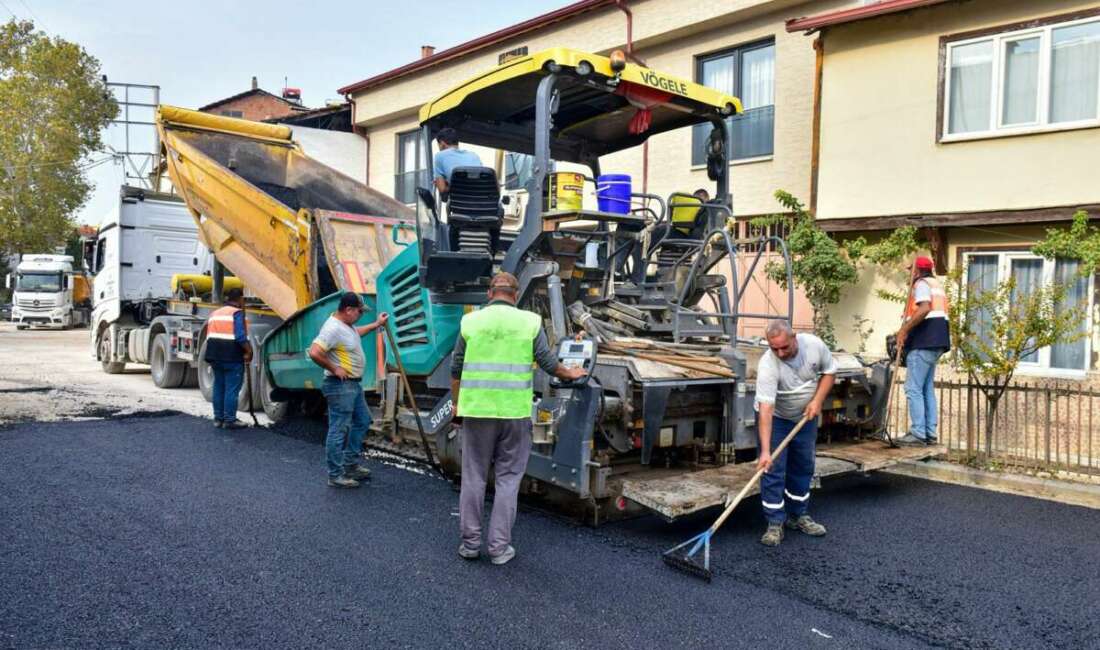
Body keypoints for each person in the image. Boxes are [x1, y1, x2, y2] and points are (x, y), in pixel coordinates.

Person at [451, 272, 586, 565]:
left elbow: (456, 368)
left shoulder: (471, 322)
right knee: (508, 480)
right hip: (514, 412)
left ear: (490, 293)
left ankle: (470, 545)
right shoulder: (529, 322)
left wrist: (455, 406)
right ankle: (499, 549)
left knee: (473, 477)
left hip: (476, 411)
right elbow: (549, 364)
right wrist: (572, 372)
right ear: (515, 294)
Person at [754, 319, 837, 547]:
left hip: (805, 417)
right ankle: (774, 523)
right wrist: (765, 451)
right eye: (774, 348)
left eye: (784, 347)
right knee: (773, 469)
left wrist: (818, 401)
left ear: (794, 337)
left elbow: (829, 372)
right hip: (777, 419)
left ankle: (798, 515)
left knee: (803, 466)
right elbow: (766, 410)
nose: (780, 353)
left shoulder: (814, 346)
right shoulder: (767, 366)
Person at [307, 292, 389, 488]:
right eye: (360, 312)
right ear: (348, 310)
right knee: (339, 429)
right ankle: (335, 474)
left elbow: (355, 334)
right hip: (339, 386)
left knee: (362, 420)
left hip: (352, 385)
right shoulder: (332, 328)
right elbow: (315, 352)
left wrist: (376, 325)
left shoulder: (346, 326)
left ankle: (349, 464)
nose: (361, 315)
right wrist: (334, 368)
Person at [895, 255, 951, 446]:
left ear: (917, 271)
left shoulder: (921, 284)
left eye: (911, 269)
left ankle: (918, 433)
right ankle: (929, 432)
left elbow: (924, 308)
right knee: (925, 388)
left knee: (912, 388)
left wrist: (904, 329)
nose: (909, 273)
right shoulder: (936, 284)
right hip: (937, 342)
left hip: (923, 342)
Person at [204, 287, 252, 430]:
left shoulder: (214, 313)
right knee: (231, 389)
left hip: (214, 356)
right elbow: (240, 337)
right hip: (231, 356)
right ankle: (230, 420)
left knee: (219, 386)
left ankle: (218, 419)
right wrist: (249, 351)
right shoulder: (236, 313)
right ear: (240, 299)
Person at [432, 127, 483, 195]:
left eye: (438, 145)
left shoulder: (439, 156)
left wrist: (450, 186)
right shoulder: (474, 156)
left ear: (442, 143)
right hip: (481, 200)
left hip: (459, 203)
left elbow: (442, 190)